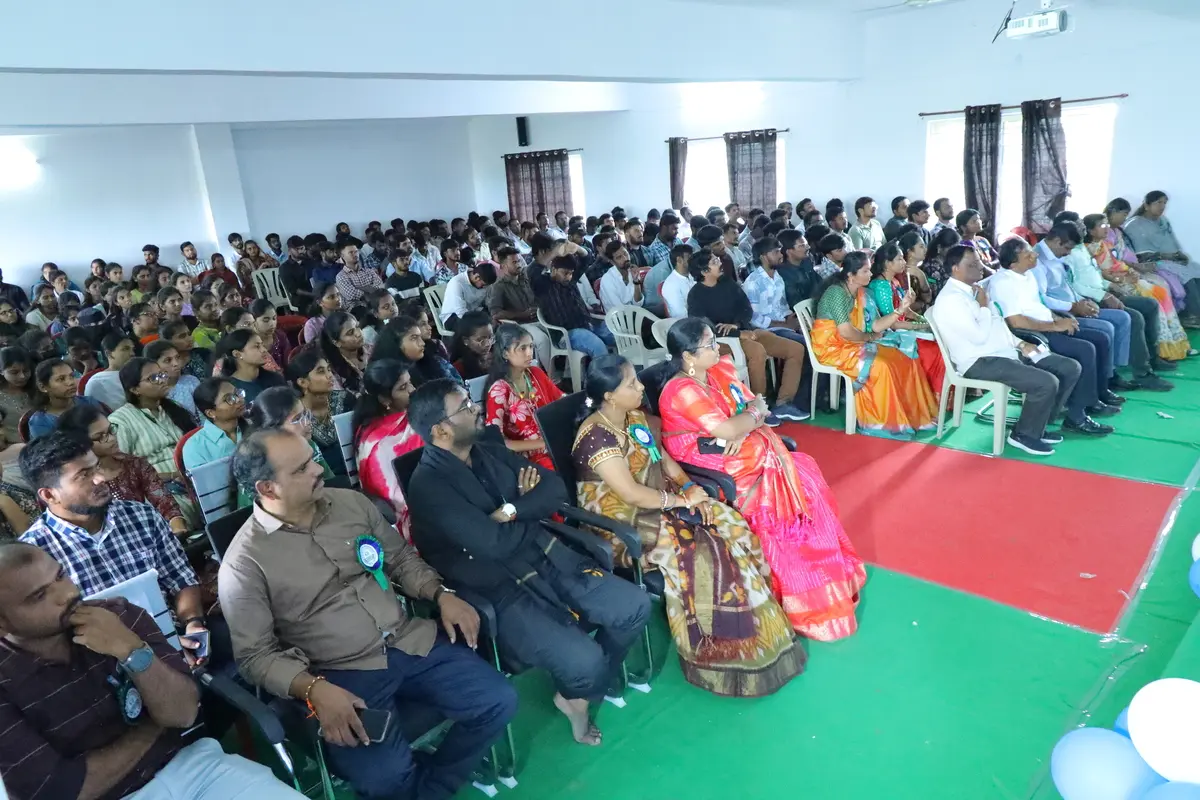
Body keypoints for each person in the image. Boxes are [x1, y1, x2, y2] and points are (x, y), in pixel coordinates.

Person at [218, 428, 516, 799]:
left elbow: (400, 558)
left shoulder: (350, 504)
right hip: (339, 674)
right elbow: (255, 656)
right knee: (384, 778)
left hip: (407, 639)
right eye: (301, 468)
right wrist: (314, 689)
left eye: (313, 459)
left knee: (498, 701)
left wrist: (440, 594)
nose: (318, 470)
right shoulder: (244, 564)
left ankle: (431, 786)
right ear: (267, 488)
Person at [408, 378, 649, 745]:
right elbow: (493, 546)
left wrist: (511, 510)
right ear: (441, 431)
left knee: (635, 606)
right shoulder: (428, 486)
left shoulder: (486, 448)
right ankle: (584, 687)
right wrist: (528, 507)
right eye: (465, 407)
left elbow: (554, 488)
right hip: (498, 587)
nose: (476, 408)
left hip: (545, 553)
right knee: (586, 662)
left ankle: (576, 693)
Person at [572, 355, 804, 695]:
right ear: (609, 396)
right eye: (632, 384)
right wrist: (682, 502)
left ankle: (762, 632)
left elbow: (662, 460)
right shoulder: (597, 436)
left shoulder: (632, 416)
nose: (641, 387)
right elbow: (630, 494)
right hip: (621, 523)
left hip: (659, 501)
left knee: (729, 523)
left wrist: (689, 487)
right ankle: (721, 652)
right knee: (702, 552)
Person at [0, 542, 305, 800]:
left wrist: (131, 650)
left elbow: (183, 713)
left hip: (189, 767)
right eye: (39, 596)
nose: (66, 594)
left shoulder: (118, 616)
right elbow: (60, 790)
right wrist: (155, 726)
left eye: (60, 576)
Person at [656, 318, 866, 639]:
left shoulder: (717, 371)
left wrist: (746, 423)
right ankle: (797, 595)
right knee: (782, 500)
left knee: (805, 472)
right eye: (709, 344)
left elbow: (757, 402)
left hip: (736, 446)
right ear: (688, 356)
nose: (717, 347)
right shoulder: (680, 390)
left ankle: (825, 580)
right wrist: (746, 420)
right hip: (708, 459)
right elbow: (730, 426)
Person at [18, 431, 208, 660]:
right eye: (84, 475)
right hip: (103, 663)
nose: (101, 478)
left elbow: (180, 578)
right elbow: (54, 637)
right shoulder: (34, 555)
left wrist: (192, 623)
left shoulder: (141, 515)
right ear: (49, 495)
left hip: (171, 635)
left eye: (96, 467)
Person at [928, 245, 1078, 455]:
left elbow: (998, 324)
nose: (980, 267)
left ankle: (1038, 425)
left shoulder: (974, 290)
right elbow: (979, 337)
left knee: (1069, 368)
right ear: (955, 268)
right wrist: (983, 306)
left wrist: (1020, 343)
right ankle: (1023, 435)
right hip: (980, 361)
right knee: (1046, 382)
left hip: (1004, 351)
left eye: (979, 262)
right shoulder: (951, 299)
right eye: (972, 264)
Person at [990, 237, 1117, 435]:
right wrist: (1056, 325)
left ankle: (1093, 397)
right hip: (1031, 336)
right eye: (1028, 254)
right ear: (1013, 263)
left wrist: (1059, 318)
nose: (1035, 255)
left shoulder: (1027, 274)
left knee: (1100, 338)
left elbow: (1039, 306)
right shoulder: (1003, 283)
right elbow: (1016, 322)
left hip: (1047, 326)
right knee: (1085, 349)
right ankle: (1076, 416)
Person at [809, 251, 939, 437]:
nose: (871, 274)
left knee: (905, 356)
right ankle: (882, 422)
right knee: (882, 366)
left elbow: (876, 325)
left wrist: (900, 310)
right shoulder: (836, 293)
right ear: (851, 275)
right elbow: (845, 332)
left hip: (854, 342)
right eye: (865, 271)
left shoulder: (861, 293)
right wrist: (869, 337)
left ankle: (913, 416)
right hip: (833, 348)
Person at [684, 249, 808, 420]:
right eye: (714, 262)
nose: (720, 263)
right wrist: (738, 333)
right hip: (722, 341)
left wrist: (736, 325)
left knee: (795, 349)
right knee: (757, 351)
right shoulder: (696, 295)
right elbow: (704, 328)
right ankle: (759, 407)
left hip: (745, 331)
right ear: (704, 271)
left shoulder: (727, 282)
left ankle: (783, 403)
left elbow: (746, 309)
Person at [1057, 213, 1174, 389]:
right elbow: (1074, 285)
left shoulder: (1081, 248)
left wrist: (1111, 285)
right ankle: (1142, 373)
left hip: (1102, 292)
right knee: (1134, 317)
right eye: (1079, 226)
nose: (1083, 229)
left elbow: (1093, 275)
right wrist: (1103, 295)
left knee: (1149, 304)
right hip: (1088, 299)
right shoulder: (1067, 253)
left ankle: (1152, 358)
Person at [1032, 222, 1144, 393]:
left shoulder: (1057, 255)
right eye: (1067, 248)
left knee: (1122, 317)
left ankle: (1111, 374)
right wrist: (1074, 306)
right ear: (1056, 241)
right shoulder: (1037, 260)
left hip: (1074, 304)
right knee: (1105, 329)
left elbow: (1069, 285)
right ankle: (1103, 382)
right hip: (1059, 313)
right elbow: (1041, 299)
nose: (1068, 253)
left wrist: (1083, 301)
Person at [57, 402, 194, 534]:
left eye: (111, 430)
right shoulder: (80, 482)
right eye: (100, 437)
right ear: (80, 444)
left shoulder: (134, 464)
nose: (112, 438)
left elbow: (165, 503)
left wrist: (177, 526)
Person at [1093, 204, 1197, 358]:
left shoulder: (1113, 236)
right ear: (1090, 230)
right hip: (1117, 281)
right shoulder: (1092, 248)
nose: (1106, 228)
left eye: (1106, 225)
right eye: (1102, 226)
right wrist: (1127, 274)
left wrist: (1132, 270)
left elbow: (1119, 261)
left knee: (1161, 291)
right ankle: (1162, 348)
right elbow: (1105, 270)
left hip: (1126, 274)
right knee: (1154, 297)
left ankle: (1177, 342)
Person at [353, 359, 421, 539]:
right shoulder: (377, 445)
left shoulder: (413, 414)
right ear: (385, 399)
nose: (412, 390)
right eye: (403, 387)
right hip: (411, 515)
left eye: (410, 382)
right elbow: (396, 498)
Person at [866, 243, 945, 397]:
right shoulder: (881, 286)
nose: (904, 262)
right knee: (933, 349)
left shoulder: (894, 281)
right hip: (891, 334)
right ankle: (929, 395)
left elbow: (906, 310)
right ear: (888, 263)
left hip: (903, 328)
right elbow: (893, 323)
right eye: (900, 259)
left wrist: (922, 320)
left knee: (939, 343)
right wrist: (919, 326)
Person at [484, 323, 563, 470]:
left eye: (531, 346)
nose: (529, 353)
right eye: (522, 348)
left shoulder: (535, 373)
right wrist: (542, 443)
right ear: (505, 353)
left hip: (553, 445)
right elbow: (497, 442)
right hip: (527, 459)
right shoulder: (499, 391)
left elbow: (561, 400)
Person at [1123, 190, 1200, 325]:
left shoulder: (1163, 221)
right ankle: (1191, 315)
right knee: (1185, 274)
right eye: (1158, 202)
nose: (1162, 206)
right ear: (1146, 205)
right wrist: (1167, 256)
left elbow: (1171, 242)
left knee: (1195, 269)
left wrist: (1179, 254)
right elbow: (1140, 254)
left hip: (1170, 259)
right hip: (1153, 261)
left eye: (1164, 203)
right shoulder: (1134, 224)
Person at [285, 348, 354, 475]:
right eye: (321, 371)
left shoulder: (346, 400)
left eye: (329, 369)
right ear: (303, 382)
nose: (330, 375)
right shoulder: (296, 418)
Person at [535, 255, 615, 359]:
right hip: (567, 334)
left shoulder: (571, 281)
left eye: (571, 273)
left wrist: (574, 248)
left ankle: (626, 366)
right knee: (598, 347)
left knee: (618, 333)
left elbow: (586, 258)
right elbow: (533, 270)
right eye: (565, 273)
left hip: (588, 326)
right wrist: (556, 251)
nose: (568, 277)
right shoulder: (544, 286)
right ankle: (604, 369)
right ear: (554, 270)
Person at [246, 385, 334, 478]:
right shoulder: (268, 464)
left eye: (304, 414)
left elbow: (329, 480)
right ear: (273, 430)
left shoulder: (308, 443)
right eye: (297, 419)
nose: (307, 422)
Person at [371, 313, 463, 388]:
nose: (422, 343)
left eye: (420, 337)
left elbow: (458, 387)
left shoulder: (434, 362)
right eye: (414, 338)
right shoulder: (391, 379)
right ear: (396, 344)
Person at [182, 377, 248, 474]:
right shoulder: (195, 447)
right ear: (211, 413)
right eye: (229, 399)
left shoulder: (254, 426)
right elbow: (207, 482)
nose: (239, 399)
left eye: (237, 393)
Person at [27, 359, 106, 440]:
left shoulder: (88, 402)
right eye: (61, 379)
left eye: (72, 376)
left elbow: (107, 430)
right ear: (43, 387)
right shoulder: (40, 422)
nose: (71, 382)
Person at [212, 329, 287, 403]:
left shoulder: (275, 379)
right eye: (257, 346)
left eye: (262, 345)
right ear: (237, 354)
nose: (264, 350)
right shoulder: (230, 388)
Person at [145, 338, 202, 420]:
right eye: (168, 360)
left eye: (177, 357)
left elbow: (203, 416)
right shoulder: (152, 394)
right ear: (154, 366)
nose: (176, 363)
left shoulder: (191, 381)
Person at [319, 310, 367, 394]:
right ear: (337, 343)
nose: (358, 333)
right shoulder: (332, 371)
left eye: (357, 326)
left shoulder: (370, 348)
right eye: (350, 333)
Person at [440, 262, 497, 330]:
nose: (484, 288)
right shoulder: (457, 283)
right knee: (482, 328)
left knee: (493, 321)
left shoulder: (482, 281)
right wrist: (482, 321)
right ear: (476, 277)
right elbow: (461, 313)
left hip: (471, 312)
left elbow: (482, 304)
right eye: (483, 285)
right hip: (453, 317)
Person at [0, 347, 36, 449]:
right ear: (1, 371)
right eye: (14, 372)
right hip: (12, 449)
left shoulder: (37, 390)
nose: (22, 376)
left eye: (26, 371)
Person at [335, 240, 385, 306]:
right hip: (356, 309)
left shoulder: (369, 271)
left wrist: (359, 288)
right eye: (351, 252)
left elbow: (380, 287)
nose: (355, 254)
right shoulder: (341, 276)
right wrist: (368, 289)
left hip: (376, 306)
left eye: (356, 251)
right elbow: (351, 295)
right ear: (342, 256)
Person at [449, 310, 494, 380]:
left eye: (490, 337)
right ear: (466, 340)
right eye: (480, 340)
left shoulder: (496, 357)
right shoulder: (458, 369)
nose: (488, 344)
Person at [897, 230, 933, 313]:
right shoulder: (902, 274)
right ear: (910, 252)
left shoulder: (919, 271)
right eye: (921, 246)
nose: (925, 249)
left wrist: (921, 276)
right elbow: (905, 306)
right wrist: (922, 305)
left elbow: (928, 298)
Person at [660, 243, 697, 319]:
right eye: (690, 258)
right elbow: (681, 315)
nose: (694, 261)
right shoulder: (671, 285)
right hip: (688, 322)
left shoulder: (692, 275)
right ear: (679, 260)